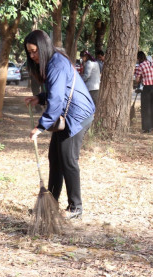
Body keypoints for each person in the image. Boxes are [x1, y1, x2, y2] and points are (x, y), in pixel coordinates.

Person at [23, 30, 95, 220]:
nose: (32, 56)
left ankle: (75, 208)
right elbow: (58, 92)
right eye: (29, 53)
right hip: (68, 114)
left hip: (77, 115)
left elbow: (56, 101)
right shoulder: (53, 62)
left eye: (34, 51)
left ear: (43, 47)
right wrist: (39, 98)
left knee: (67, 160)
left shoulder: (56, 64)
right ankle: (50, 204)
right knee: (55, 158)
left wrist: (40, 127)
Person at [135, 51, 153, 133]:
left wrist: (138, 80)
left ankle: (147, 128)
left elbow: (137, 79)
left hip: (146, 88)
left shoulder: (140, 66)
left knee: (146, 108)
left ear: (138, 58)